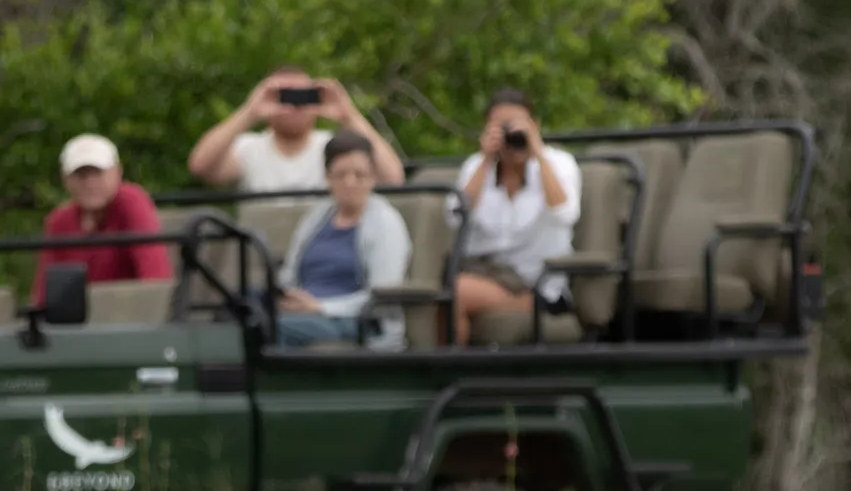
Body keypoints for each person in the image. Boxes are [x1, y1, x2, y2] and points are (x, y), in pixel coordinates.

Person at [447, 89, 581, 347]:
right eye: (501, 127)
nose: (511, 134)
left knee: (457, 292)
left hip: (538, 287)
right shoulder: (476, 167)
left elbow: (565, 212)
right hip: (488, 275)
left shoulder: (558, 163)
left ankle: (452, 374)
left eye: (518, 125)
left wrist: (537, 152)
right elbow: (456, 218)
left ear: (535, 126)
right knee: (448, 291)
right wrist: (486, 159)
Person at [273, 131, 413, 350]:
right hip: (304, 311)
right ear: (328, 178)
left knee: (273, 327)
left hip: (357, 320)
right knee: (243, 310)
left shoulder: (385, 222)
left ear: (373, 177)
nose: (350, 182)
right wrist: (287, 298)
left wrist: (320, 307)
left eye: (359, 174)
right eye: (341, 175)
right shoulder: (317, 217)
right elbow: (289, 273)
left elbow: (381, 295)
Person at [186, 66, 405, 193]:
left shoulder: (333, 147)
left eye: (303, 96)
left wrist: (349, 116)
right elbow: (200, 166)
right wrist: (249, 112)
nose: (294, 106)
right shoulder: (249, 148)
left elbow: (393, 178)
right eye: (284, 96)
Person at [29, 134, 172, 306]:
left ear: (117, 172)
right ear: (66, 180)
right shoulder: (58, 221)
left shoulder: (132, 203)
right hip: (78, 325)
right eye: (81, 175)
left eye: (97, 173)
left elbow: (155, 279)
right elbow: (44, 295)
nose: (90, 183)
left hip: (128, 316)